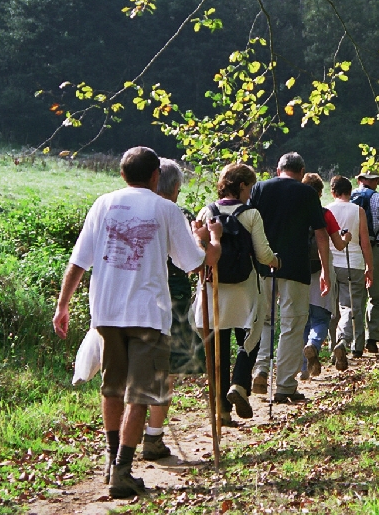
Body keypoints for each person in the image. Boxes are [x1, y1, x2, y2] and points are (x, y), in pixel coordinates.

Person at [53, 147, 222, 499]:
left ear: (122, 174)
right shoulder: (166, 208)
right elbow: (193, 262)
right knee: (140, 394)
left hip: (106, 312)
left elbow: (78, 260)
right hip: (148, 314)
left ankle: (110, 458)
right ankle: (122, 470)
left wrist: (63, 304)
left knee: (112, 388)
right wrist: (212, 242)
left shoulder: (103, 203)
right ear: (156, 176)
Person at [195, 163, 280, 424]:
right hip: (245, 288)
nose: (251, 192)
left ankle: (220, 410)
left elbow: (198, 249)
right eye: (250, 187)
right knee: (251, 337)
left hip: (213, 287)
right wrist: (275, 261)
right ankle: (240, 384)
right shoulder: (251, 214)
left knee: (217, 349)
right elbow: (263, 254)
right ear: (242, 186)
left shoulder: (207, 211)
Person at [249, 152, 330, 403]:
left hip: (262, 266)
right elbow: (320, 233)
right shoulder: (307, 193)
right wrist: (325, 269)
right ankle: (284, 384)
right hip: (295, 267)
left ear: (278, 168)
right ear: (301, 170)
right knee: (292, 326)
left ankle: (260, 369)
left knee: (263, 321)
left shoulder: (259, 188)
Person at [142, 158, 206, 461]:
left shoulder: (133, 210)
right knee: (164, 369)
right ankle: (152, 436)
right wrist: (206, 241)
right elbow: (193, 262)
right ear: (175, 188)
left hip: (135, 295)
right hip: (172, 296)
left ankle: (132, 439)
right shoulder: (176, 213)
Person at [300, 173, 348, 379]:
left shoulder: (295, 216)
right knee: (321, 317)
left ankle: (304, 369)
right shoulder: (325, 214)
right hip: (321, 270)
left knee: (302, 320)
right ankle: (314, 344)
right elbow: (338, 244)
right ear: (320, 193)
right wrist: (347, 238)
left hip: (298, 271)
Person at [329, 175, 374, 366]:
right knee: (352, 306)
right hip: (353, 262)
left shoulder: (327, 210)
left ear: (333, 192)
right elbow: (365, 242)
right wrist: (369, 267)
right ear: (350, 192)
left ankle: (334, 346)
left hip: (331, 262)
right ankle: (348, 342)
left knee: (334, 308)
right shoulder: (359, 211)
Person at [351, 172, 379, 354]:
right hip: (374, 248)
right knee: (376, 296)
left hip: (353, 249)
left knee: (357, 298)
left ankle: (356, 342)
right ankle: (372, 337)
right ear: (375, 181)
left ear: (360, 180)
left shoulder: (349, 196)